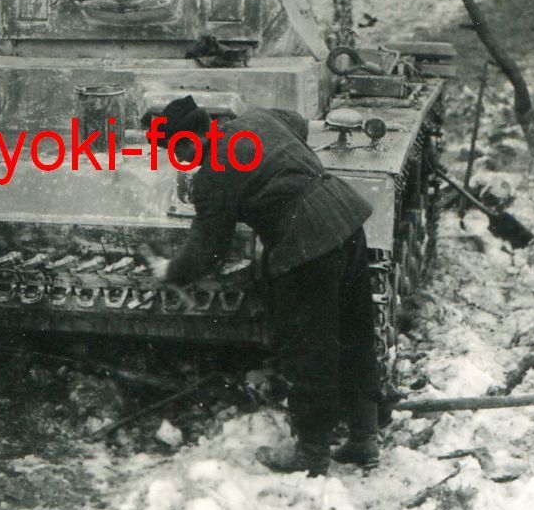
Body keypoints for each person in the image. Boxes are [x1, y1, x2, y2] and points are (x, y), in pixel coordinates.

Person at [146, 96, 381, 476]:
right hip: (346, 219)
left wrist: (170, 270)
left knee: (309, 350)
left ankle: (312, 455)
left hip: (307, 244)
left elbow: (208, 249)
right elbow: (297, 122)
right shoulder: (256, 119)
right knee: (355, 333)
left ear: (188, 142)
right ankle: (365, 439)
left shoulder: (213, 174)